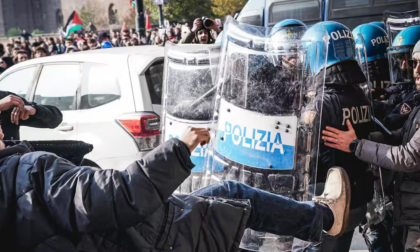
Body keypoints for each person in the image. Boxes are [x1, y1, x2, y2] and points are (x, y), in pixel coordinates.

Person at [0, 124, 352, 252]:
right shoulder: (23, 173)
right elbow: (117, 195)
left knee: (229, 197)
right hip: (147, 237)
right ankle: (322, 217)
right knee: (233, 197)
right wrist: (178, 149)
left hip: (133, 235)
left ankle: (318, 217)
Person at [322, 39, 420, 251]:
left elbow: (409, 156)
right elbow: (399, 137)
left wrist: (356, 145)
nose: (415, 70)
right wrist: (362, 134)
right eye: (414, 62)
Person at [300, 21, 376, 252]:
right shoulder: (360, 95)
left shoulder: (322, 102)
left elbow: (306, 154)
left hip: (330, 201)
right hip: (358, 197)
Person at [378, 26, 420, 130]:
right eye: (400, 59)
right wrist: (385, 91)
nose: (403, 66)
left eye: (408, 60)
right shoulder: (408, 88)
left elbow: (392, 122)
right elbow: (404, 87)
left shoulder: (415, 98)